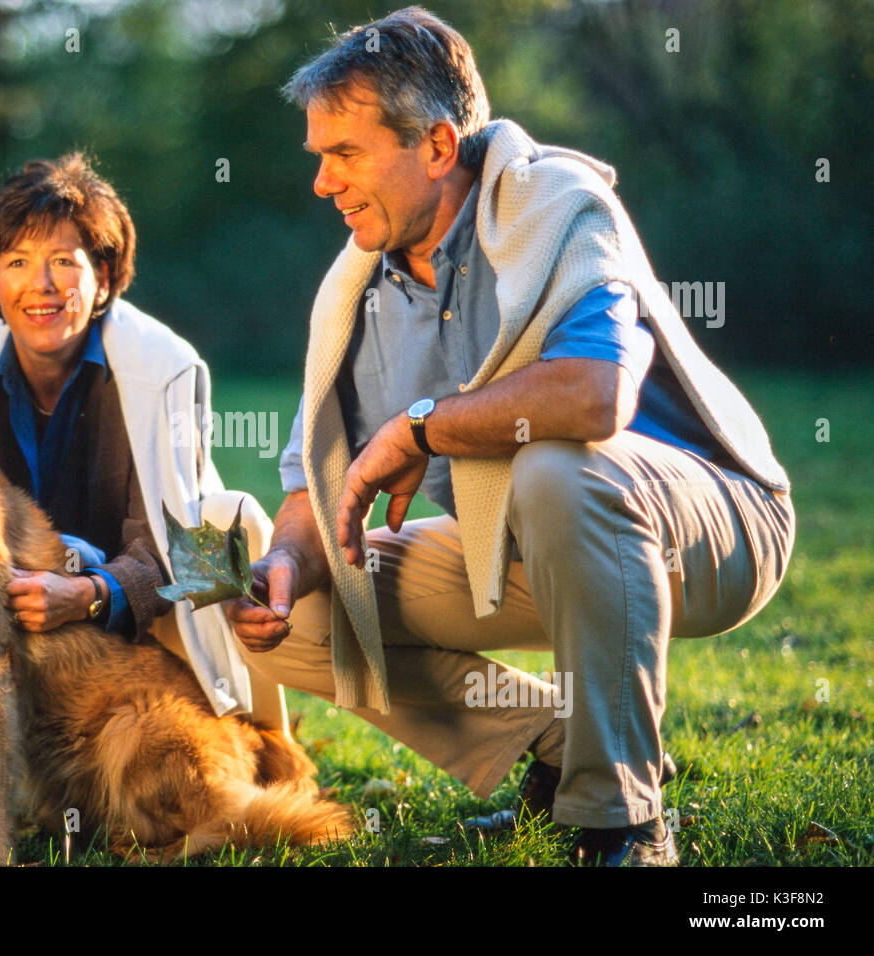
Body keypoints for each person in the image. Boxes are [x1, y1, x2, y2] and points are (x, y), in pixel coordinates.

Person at [225, 7, 795, 865]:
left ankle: (620, 822)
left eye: (345, 154)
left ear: (439, 146)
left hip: (707, 527)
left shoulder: (563, 208)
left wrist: (423, 430)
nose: (323, 184)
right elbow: (313, 489)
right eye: (320, 159)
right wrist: (280, 566)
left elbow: (594, 396)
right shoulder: (354, 291)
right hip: (518, 547)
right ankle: (563, 742)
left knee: (557, 472)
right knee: (308, 608)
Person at [0, 153, 287, 729]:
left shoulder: (165, 364)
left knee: (231, 524)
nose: (41, 285)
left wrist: (88, 594)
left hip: (143, 591)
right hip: (10, 607)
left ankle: (259, 744)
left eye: (63, 261)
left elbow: (174, 535)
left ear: (101, 278)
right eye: (18, 261)